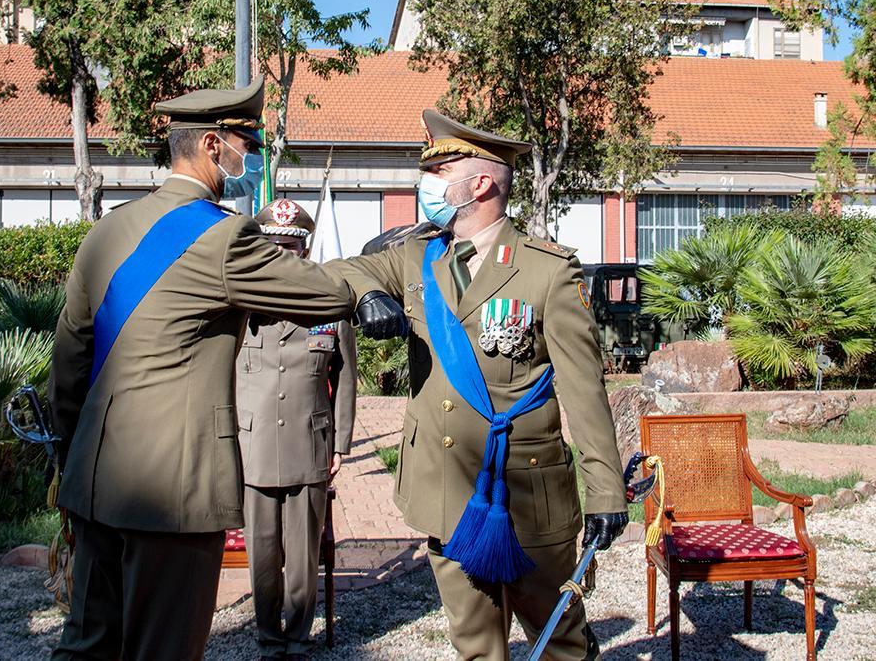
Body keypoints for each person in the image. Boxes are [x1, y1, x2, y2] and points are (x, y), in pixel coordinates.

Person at [48, 76, 404, 661]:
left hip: (96, 480)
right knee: (163, 647)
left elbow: (69, 367)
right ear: (214, 145)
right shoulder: (221, 236)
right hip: (175, 491)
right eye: (247, 143)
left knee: (88, 644)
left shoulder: (105, 232)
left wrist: (74, 458)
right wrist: (380, 269)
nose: (252, 157)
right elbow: (317, 290)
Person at [325, 109, 629, 660]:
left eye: (440, 173)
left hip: (527, 494)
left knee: (559, 639)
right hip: (446, 488)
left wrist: (607, 491)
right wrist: (366, 293)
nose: (428, 186)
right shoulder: (418, 257)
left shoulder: (547, 270)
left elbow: (585, 392)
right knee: (474, 645)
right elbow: (341, 269)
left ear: (481, 183)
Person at [235, 199, 357, 661]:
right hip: (255, 443)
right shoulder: (242, 304)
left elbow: (345, 375)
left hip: (310, 441)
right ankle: (268, 637)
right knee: (263, 551)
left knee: (304, 554)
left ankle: (297, 637)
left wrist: (341, 441)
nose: (283, 254)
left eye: (291, 247)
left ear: (305, 251)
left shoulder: (329, 303)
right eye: (275, 246)